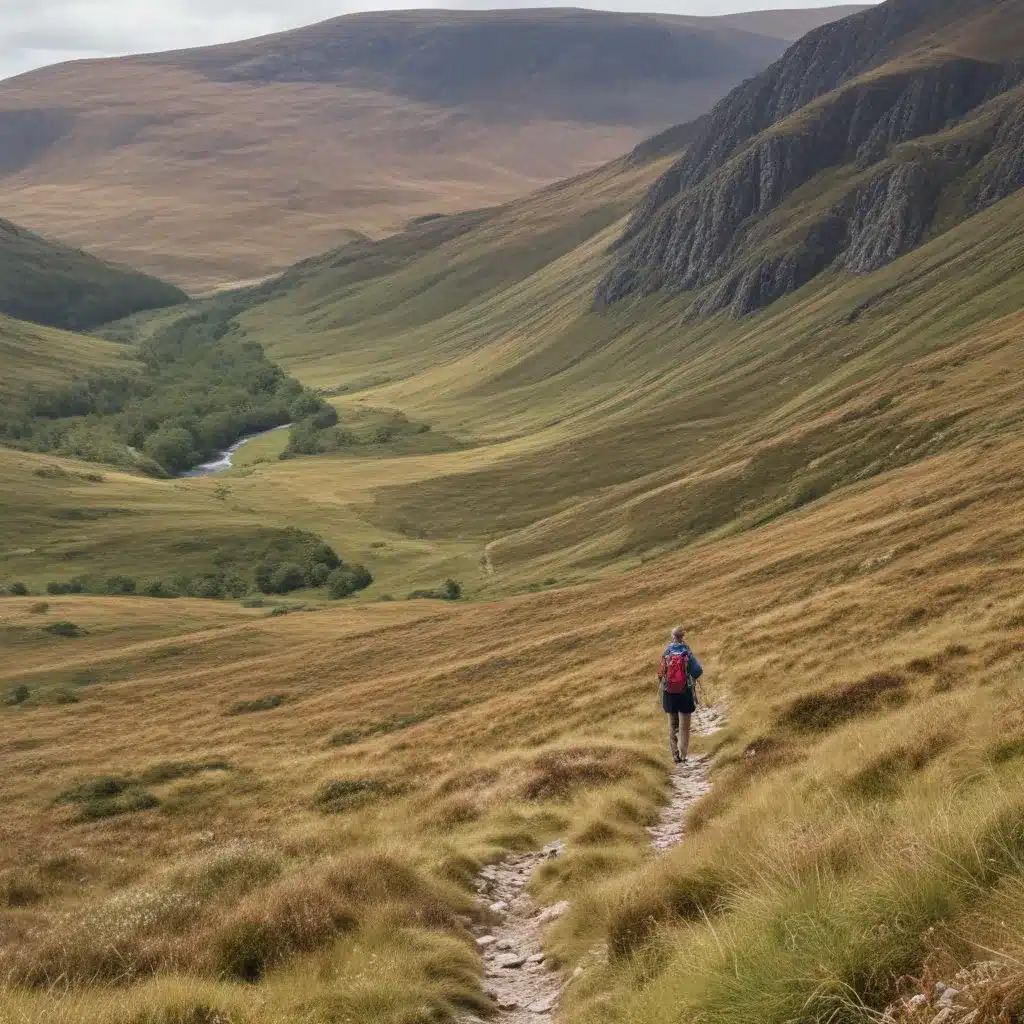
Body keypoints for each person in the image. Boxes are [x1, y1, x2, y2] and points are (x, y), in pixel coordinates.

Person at [658, 626, 703, 765]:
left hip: (669, 694)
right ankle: (683, 755)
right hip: (685, 693)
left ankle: (675, 756)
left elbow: (660, 674)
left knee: (672, 725)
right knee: (684, 726)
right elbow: (698, 670)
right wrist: (691, 680)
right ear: (682, 637)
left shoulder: (667, 652)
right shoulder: (686, 652)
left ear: (672, 636)